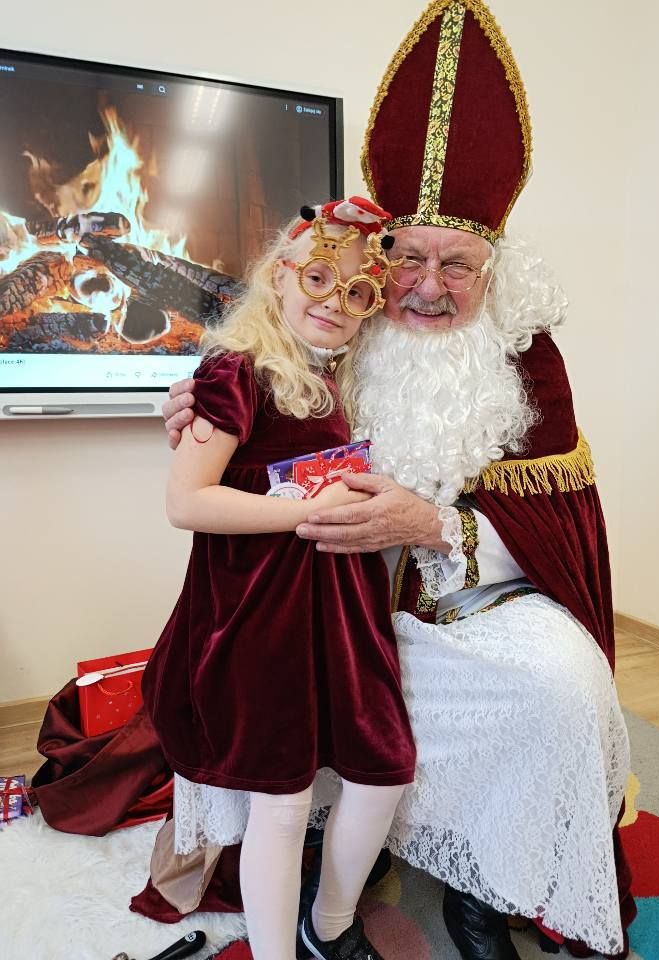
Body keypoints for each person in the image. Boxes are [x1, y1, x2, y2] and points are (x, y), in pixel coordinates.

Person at [161, 2, 635, 958]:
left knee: (564, 686)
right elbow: (252, 393)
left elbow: (563, 529)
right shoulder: (345, 322)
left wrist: (432, 526)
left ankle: (484, 881)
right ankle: (323, 846)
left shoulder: (527, 359)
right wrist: (192, 404)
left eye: (456, 266)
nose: (425, 286)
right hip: (323, 596)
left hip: (472, 606)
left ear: (496, 270)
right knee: (273, 679)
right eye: (407, 259)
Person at [143, 196, 417, 960]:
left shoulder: (342, 381)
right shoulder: (235, 371)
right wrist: (307, 509)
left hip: (343, 610)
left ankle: (328, 924)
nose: (335, 303)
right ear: (281, 277)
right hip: (260, 616)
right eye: (319, 278)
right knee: (284, 803)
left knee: (384, 769)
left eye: (357, 292)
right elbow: (186, 500)